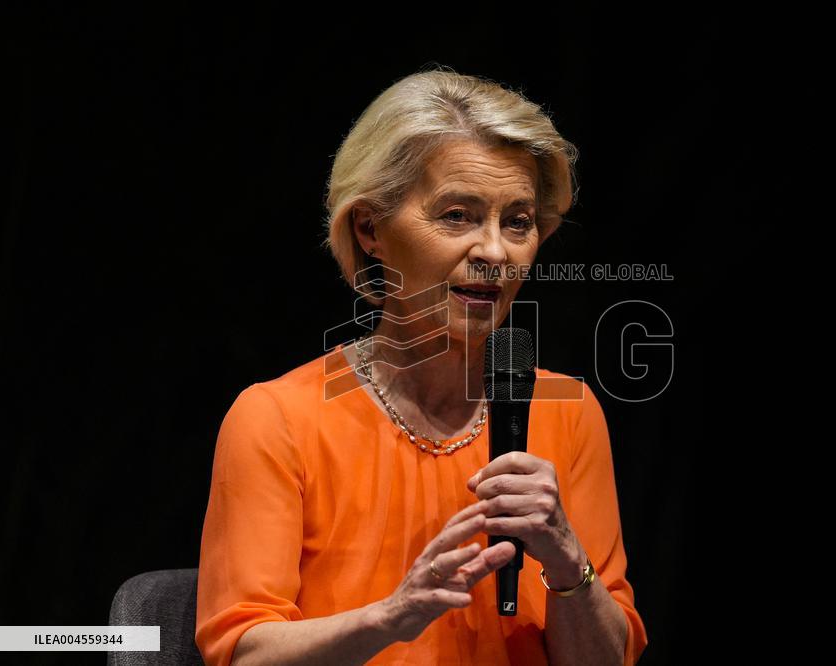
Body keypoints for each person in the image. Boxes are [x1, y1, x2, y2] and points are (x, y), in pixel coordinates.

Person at [195, 66, 648, 665]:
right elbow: (243, 657)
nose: (493, 252)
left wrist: (568, 562)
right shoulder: (278, 420)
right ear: (370, 227)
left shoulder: (568, 413)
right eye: (457, 215)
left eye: (518, 221)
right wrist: (395, 616)